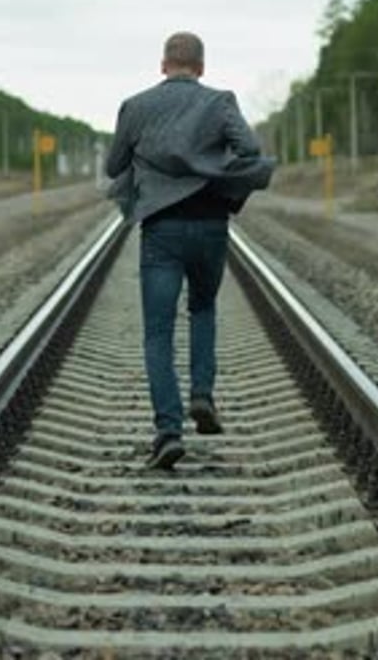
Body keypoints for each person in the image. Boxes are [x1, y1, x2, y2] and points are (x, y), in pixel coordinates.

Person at [106, 31, 275, 469]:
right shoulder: (220, 102)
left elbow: (113, 166)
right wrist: (212, 172)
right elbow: (251, 150)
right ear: (201, 67)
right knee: (202, 309)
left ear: (164, 64)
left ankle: (168, 431)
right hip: (211, 227)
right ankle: (202, 394)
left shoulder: (136, 106)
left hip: (162, 230)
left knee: (157, 333)